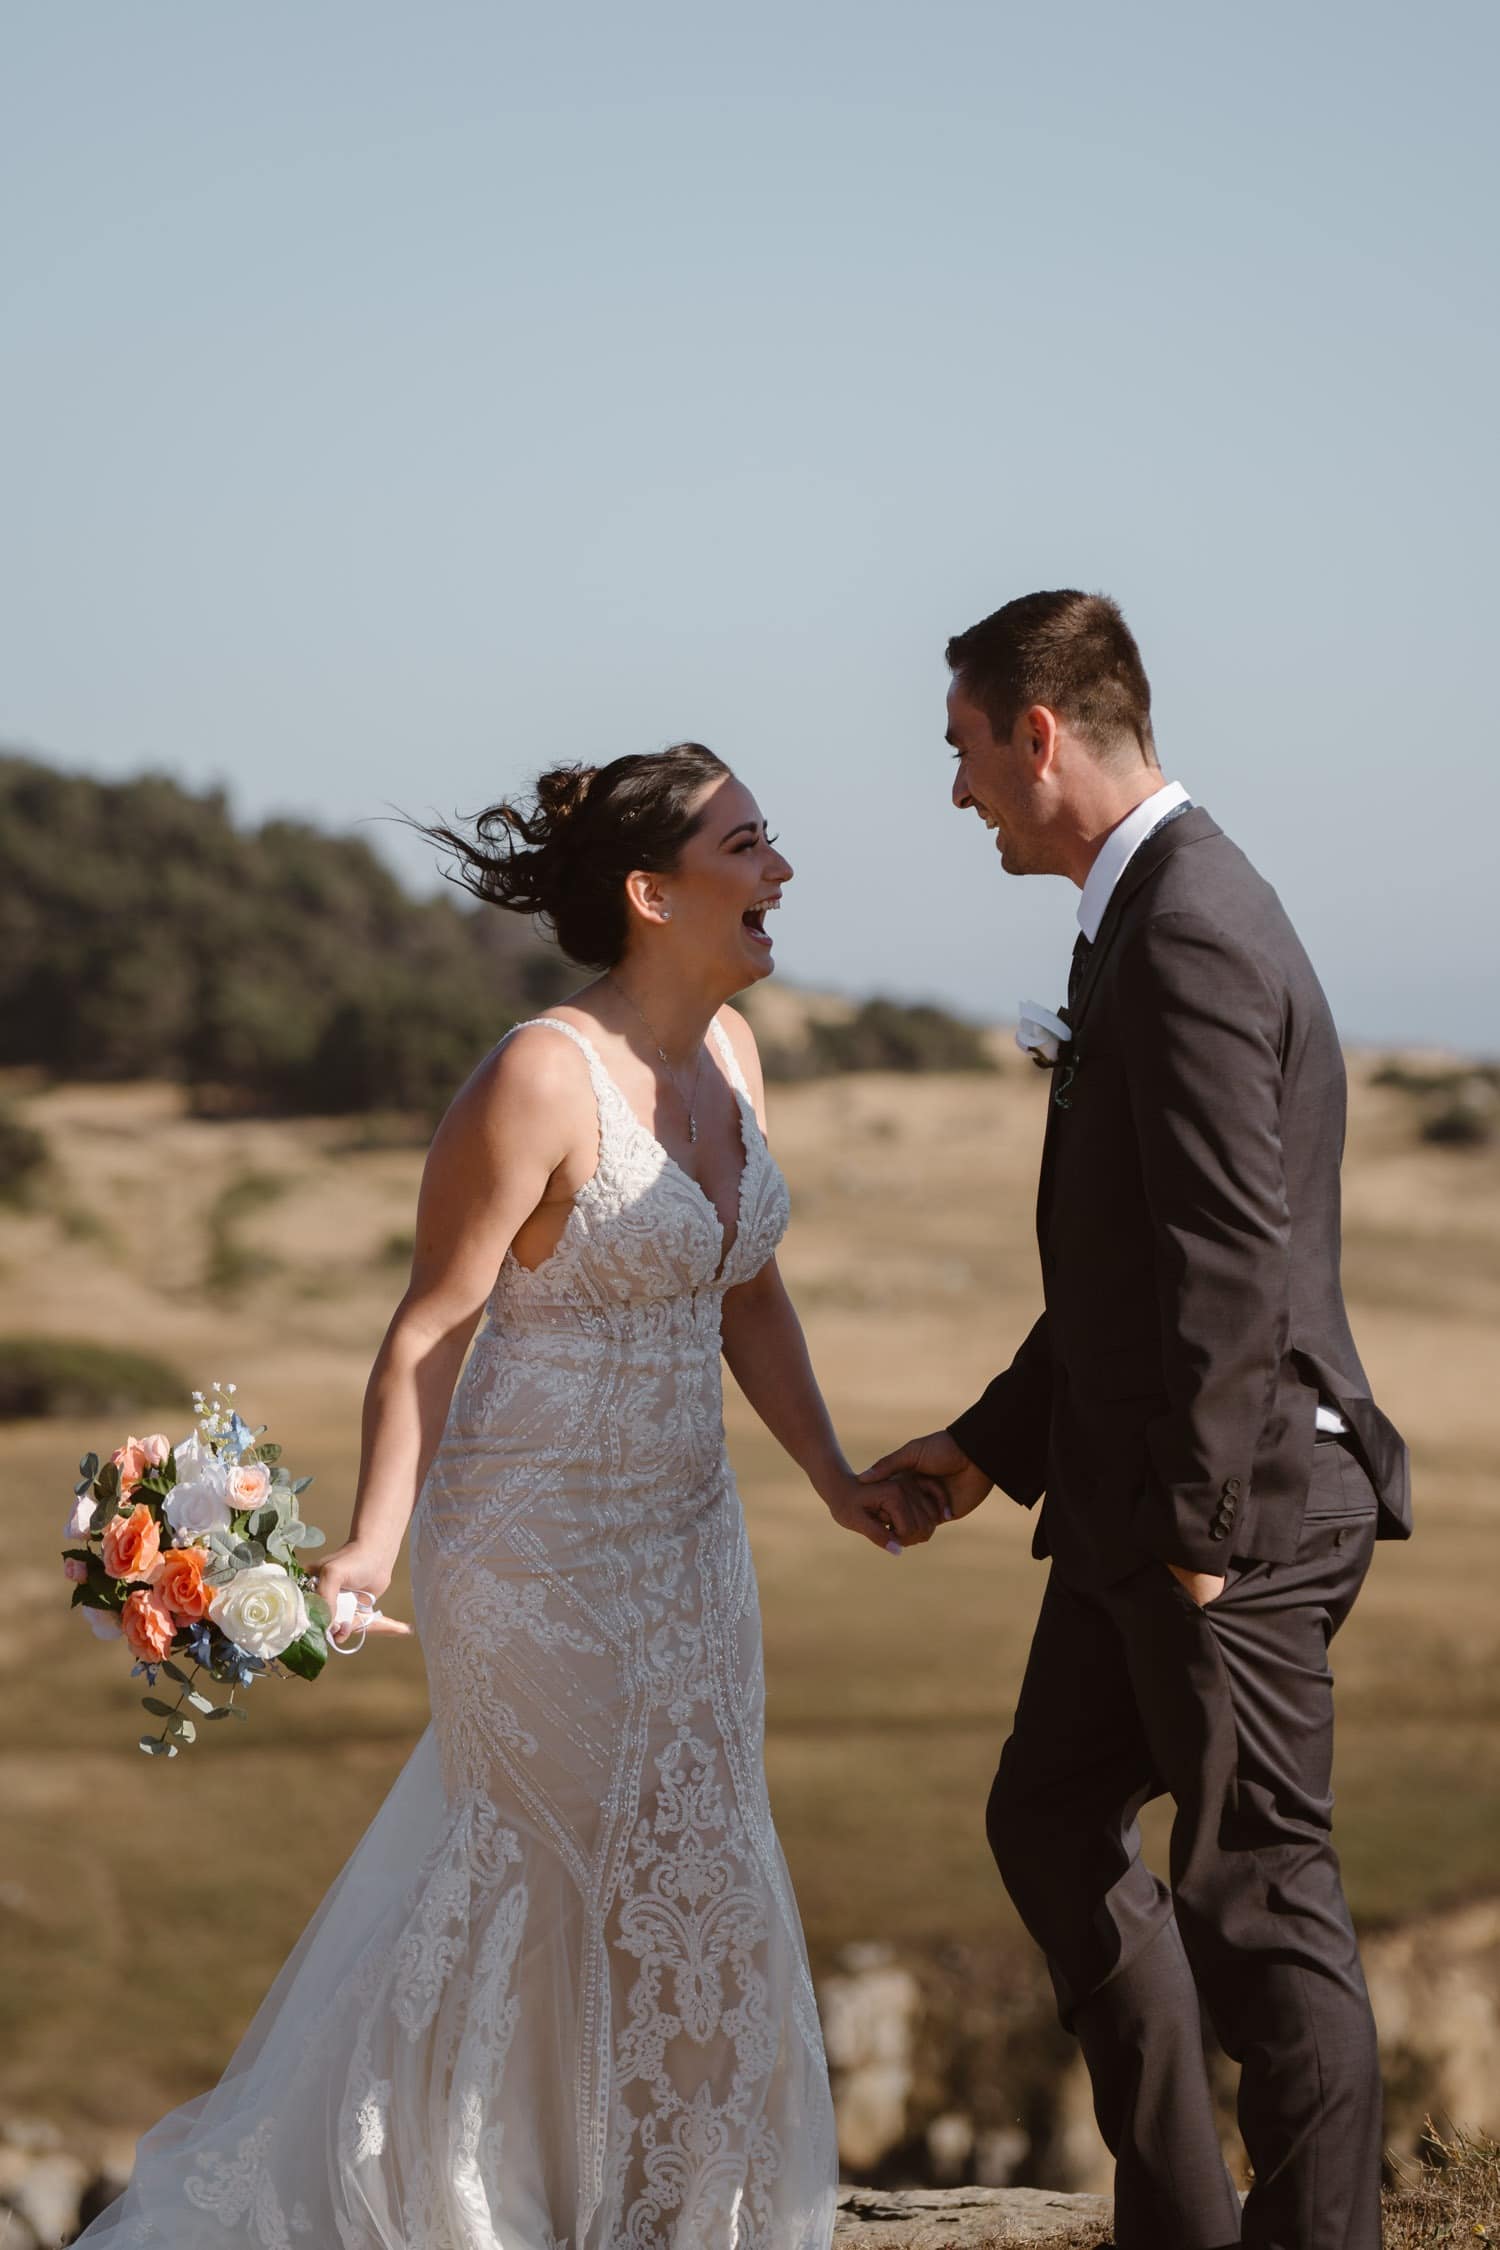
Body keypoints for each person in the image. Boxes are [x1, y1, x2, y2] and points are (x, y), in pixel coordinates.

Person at [79, 742, 938, 2250]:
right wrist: (366, 1544)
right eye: (750, 844)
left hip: (692, 1553)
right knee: (553, 1871)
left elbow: (747, 1293)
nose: (781, 870)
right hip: (533, 1560)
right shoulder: (539, 1076)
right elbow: (428, 1327)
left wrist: (832, 1474)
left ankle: (670, 2206)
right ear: (651, 892)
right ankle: (467, 2209)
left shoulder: (736, 1058)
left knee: (702, 1864)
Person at [866, 593, 1411, 2250]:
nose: (956, 793)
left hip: (1216, 1520)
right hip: (1129, 1504)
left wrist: (1192, 1538)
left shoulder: (1185, 929)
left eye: (963, 751)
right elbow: (1132, 1271)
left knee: (1259, 1908)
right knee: (1048, 1814)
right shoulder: (1151, 910)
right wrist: (981, 1447)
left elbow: (1233, 1274)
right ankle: (1179, 2218)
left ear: (1039, 733)